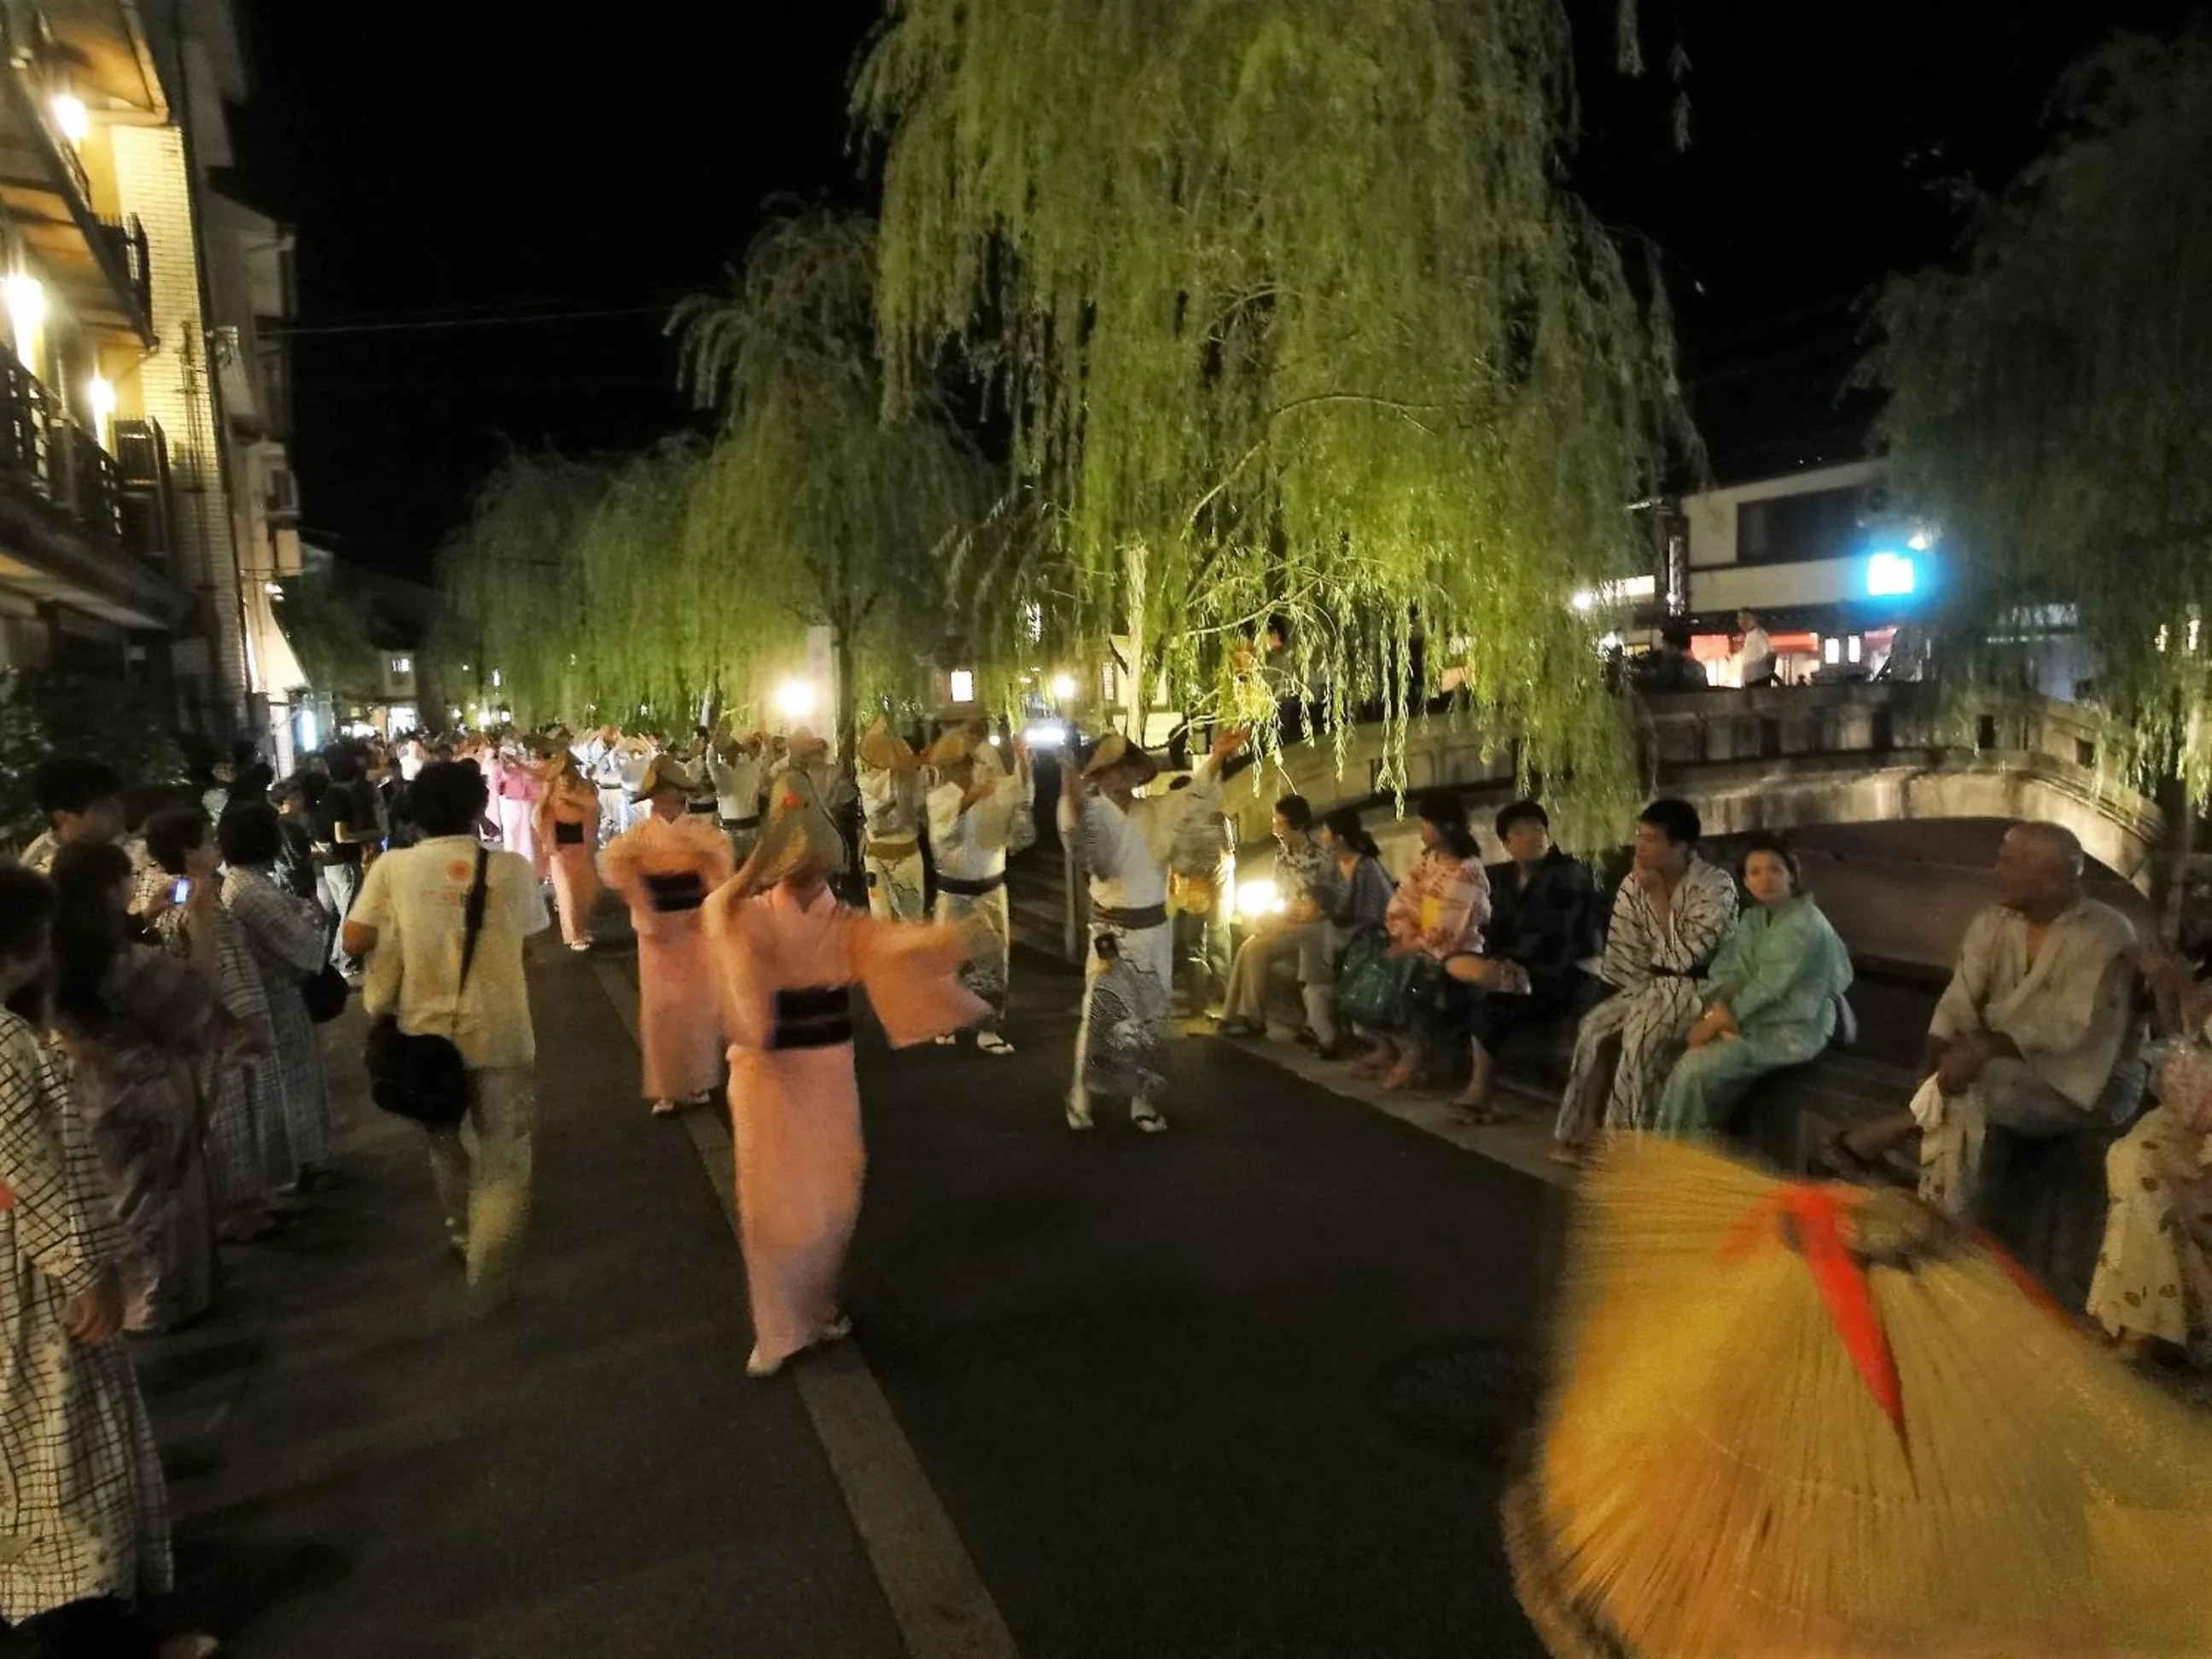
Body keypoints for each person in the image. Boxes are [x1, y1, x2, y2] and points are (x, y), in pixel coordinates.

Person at [0, 867, 218, 1659]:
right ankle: (92, 1634)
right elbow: (28, 1175)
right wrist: (87, 1269)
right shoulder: (6, 1047)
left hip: (22, 1276)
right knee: (66, 1461)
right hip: (29, 1294)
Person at [703, 771, 985, 1377]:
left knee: (834, 1197)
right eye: (796, 863)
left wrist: (943, 941)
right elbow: (715, 913)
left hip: (827, 1069)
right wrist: (753, 869)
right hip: (765, 1073)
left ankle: (817, 1303)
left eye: (817, 865)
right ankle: (777, 1328)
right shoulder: (745, 912)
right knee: (769, 1203)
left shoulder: (844, 923)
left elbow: (891, 948)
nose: (808, 875)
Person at [1827, 822, 2143, 1221]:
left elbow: (2070, 1026)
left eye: (2009, 864)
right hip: (2002, 1067)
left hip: (2087, 1082)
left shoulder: (2107, 933)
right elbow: (1960, 996)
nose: (1996, 872)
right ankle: (1932, 1202)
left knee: (1979, 1086)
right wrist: (1934, 1056)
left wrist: (1982, 1048)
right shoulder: (1993, 922)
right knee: (1970, 1082)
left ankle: (1941, 1213)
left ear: (2052, 880)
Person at [343, 760, 550, 1296]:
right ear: (480, 809)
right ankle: (492, 1252)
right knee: (504, 1150)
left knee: (444, 1140)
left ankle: (462, 1234)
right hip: (502, 1026)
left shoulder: (392, 868)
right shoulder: (511, 869)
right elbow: (528, 946)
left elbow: (354, 939)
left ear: (416, 813)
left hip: (426, 1031)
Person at [49, 842, 233, 1332]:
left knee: (122, 1197)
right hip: (144, 1085)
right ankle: (159, 1305)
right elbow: (196, 999)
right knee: (160, 1203)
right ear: (112, 887)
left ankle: (133, 1301)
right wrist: (202, 924)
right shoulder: (122, 961)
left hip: (89, 1092)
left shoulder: (56, 953)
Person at [1060, 727, 1244, 1133]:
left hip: (1154, 930)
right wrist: (1070, 788)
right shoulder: (1091, 813)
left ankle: (1143, 1100)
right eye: (1111, 769)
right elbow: (1083, 843)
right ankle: (1081, 1093)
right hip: (1111, 931)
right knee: (1100, 1015)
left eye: (1126, 767)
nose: (1121, 776)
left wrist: (1216, 758)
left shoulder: (1154, 812)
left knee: (1151, 1018)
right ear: (1099, 776)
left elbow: (1192, 799)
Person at [1552, 798, 1738, 1159]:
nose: (1640, 845)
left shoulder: (1716, 886)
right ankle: (1582, 1123)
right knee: (1594, 1027)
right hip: (1651, 984)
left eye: (1652, 838)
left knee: (1641, 1037)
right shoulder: (1632, 883)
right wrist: (1627, 993)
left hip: (1700, 987)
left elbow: (1685, 956)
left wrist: (1656, 895)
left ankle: (1628, 1147)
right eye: (1640, 835)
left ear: (1680, 846)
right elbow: (1627, 950)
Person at [141, 804, 282, 1243]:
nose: (216, 844)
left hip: (204, 1026)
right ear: (188, 851)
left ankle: (243, 1205)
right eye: (207, 839)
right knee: (232, 1119)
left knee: (227, 1116)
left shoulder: (178, 893)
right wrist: (246, 1021)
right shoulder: (201, 903)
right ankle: (237, 1212)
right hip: (224, 1025)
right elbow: (221, 969)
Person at [1648, 836, 1853, 1138]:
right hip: (1747, 1017)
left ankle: (1687, 1160)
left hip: (1792, 1026)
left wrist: (1722, 1020)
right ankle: (1666, 1153)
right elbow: (1730, 970)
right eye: (1755, 872)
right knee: (1669, 1049)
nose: (1765, 878)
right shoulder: (1754, 918)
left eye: (1775, 870)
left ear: (1792, 876)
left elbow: (1770, 986)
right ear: (1745, 881)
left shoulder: (1805, 923)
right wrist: (1716, 1011)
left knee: (1696, 1069)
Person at [2086, 946, 2212, 1363]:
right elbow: (2184, 1041)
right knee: (2133, 1155)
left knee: (2163, 1172)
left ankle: (2158, 1326)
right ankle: (2138, 1319)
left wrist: (2179, 988)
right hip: (2193, 1113)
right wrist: (2167, 988)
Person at [1441, 800, 1602, 1122]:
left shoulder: (1568, 875)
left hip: (1563, 975)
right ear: (1506, 843)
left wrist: (1504, 965)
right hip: (1520, 969)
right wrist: (1490, 961)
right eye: (1519, 832)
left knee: (1490, 998)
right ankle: (1441, 1064)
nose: (1531, 836)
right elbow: (1488, 928)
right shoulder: (1504, 880)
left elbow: (1556, 939)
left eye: (1537, 829)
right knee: (1449, 969)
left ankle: (1480, 1090)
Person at [599, 753, 733, 1115]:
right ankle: (667, 1087)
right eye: (657, 794)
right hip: (656, 928)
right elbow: (612, 863)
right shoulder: (638, 836)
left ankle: (698, 1080)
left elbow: (722, 861)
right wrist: (640, 895)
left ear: (680, 796)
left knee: (698, 1005)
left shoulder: (701, 834)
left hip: (694, 925)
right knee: (661, 1009)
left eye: (669, 792)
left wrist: (701, 864)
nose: (663, 800)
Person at [218, 800, 336, 1191]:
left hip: (279, 993)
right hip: (277, 995)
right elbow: (304, 944)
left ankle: (301, 1164)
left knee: (292, 1080)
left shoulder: (245, 881)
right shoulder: (249, 889)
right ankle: (299, 1167)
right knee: (290, 1083)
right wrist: (308, 918)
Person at [1353, 795, 1489, 1090]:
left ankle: (1414, 1052)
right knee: (1367, 960)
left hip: (1456, 949)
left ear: (1447, 828)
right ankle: (1391, 1045)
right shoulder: (1428, 859)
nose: (1423, 832)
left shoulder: (1467, 871)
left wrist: (1409, 946)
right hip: (1417, 939)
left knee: (1411, 975)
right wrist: (1403, 932)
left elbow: (1447, 930)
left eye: (1427, 826)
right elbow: (1406, 898)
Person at [925, 725, 1034, 1055]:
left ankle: (989, 1027)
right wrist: (969, 800)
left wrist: (1024, 769)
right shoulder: (939, 798)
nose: (958, 771)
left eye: (964, 763)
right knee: (949, 960)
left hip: (989, 890)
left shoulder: (995, 790)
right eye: (951, 766)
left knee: (991, 962)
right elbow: (942, 840)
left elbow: (1019, 800)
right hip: (954, 891)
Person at [1215, 795, 1337, 1040]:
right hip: (1286, 921)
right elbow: (1278, 895)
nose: (1276, 830)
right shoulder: (1281, 856)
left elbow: (1325, 903)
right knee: (1247, 947)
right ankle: (1237, 1015)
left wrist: (1288, 916)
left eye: (1281, 824)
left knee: (1257, 949)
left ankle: (1254, 1019)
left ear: (1299, 826)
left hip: (1311, 927)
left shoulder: (1321, 859)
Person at [1310, 807, 1393, 1058]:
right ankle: (1327, 1033)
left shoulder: (1367, 868)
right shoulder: (1335, 864)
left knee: (1318, 950)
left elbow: (1374, 915)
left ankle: (1334, 1037)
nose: (1322, 835)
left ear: (1339, 838)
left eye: (1326, 831)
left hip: (1372, 934)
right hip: (1344, 932)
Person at [1166, 775, 1235, 1014]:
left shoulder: (1214, 818)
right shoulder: (1178, 821)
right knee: (1194, 942)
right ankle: (1199, 998)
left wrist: (1202, 877)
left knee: (1217, 940)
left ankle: (1226, 995)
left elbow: (1225, 856)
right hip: (1191, 889)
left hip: (1215, 886)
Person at [317, 744, 383, 981]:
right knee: (350, 912)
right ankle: (346, 960)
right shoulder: (340, 798)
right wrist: (372, 834)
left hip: (330, 864)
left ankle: (337, 958)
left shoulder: (326, 795)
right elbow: (341, 835)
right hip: (344, 862)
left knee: (341, 912)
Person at [858, 719, 928, 923]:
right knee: (911, 918)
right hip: (906, 855)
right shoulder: (915, 780)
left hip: (875, 854)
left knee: (881, 917)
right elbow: (921, 815)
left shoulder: (866, 781)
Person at [533, 747, 602, 953]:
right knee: (567, 892)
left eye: (568, 774)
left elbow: (594, 808)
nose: (565, 779)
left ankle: (582, 927)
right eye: (561, 775)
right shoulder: (550, 794)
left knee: (587, 892)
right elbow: (537, 817)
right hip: (561, 847)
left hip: (583, 846)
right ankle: (573, 935)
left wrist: (572, 799)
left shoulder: (584, 791)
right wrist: (548, 841)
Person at [20, 756, 125, 876]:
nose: (117, 813)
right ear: (61, 817)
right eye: (101, 807)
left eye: (116, 801)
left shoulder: (106, 848)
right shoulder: (47, 875)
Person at [706, 725, 768, 858]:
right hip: (729, 829)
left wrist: (743, 743)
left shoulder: (753, 765)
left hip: (751, 828)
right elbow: (710, 760)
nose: (727, 752)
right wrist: (714, 744)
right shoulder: (721, 772)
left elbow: (761, 750)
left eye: (730, 747)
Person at [490, 741, 541, 869]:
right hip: (508, 802)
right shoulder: (498, 769)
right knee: (511, 831)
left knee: (525, 832)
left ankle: (526, 860)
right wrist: (503, 771)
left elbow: (532, 783)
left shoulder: (523, 767)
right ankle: (512, 859)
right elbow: (495, 788)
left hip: (524, 801)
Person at [1734, 609, 1775, 689]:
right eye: (1740, 619)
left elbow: (1771, 654)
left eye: (1746, 619)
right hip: (1750, 682)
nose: (1742, 622)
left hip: (1758, 681)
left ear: (1753, 619)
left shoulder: (1758, 633)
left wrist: (1766, 673)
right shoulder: (1749, 635)